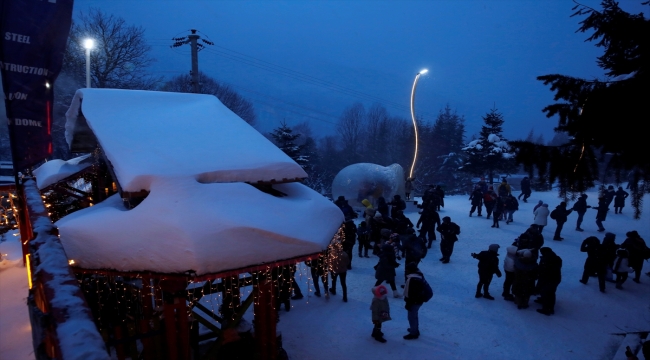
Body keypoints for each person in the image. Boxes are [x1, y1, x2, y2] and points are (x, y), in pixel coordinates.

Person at [535, 247, 562, 315]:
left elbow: (544, 270)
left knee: (548, 293)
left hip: (550, 279)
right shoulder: (555, 258)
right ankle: (544, 300)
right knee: (546, 291)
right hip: (552, 278)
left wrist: (538, 272)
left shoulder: (547, 260)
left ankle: (548, 309)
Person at [403, 262, 425, 340]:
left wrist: (408, 303)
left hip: (415, 302)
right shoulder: (418, 276)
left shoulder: (412, 280)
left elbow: (411, 294)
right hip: (419, 300)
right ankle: (414, 329)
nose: (405, 271)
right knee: (414, 316)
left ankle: (414, 333)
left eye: (407, 269)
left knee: (412, 317)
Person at [329, 238, 350, 302]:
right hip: (343, 270)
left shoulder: (332, 254)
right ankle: (345, 296)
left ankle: (333, 290)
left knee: (334, 281)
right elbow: (348, 262)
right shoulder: (344, 254)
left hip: (334, 270)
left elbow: (329, 262)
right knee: (343, 283)